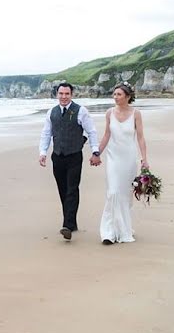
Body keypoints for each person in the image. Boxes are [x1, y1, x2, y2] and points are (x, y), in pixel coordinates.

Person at [38, 82, 101, 241]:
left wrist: (95, 150)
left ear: (71, 95)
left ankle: (67, 224)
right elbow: (46, 133)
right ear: (57, 94)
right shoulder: (51, 113)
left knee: (72, 189)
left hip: (74, 155)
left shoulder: (81, 111)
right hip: (57, 156)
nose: (64, 97)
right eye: (61, 94)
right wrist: (43, 152)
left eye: (67, 94)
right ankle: (71, 223)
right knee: (62, 190)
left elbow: (91, 131)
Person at [97, 82, 149, 244]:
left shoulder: (136, 114)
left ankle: (123, 229)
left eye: (119, 94)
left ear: (127, 97)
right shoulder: (109, 113)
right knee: (113, 192)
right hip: (113, 158)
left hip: (128, 159)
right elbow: (106, 135)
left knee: (125, 195)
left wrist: (144, 159)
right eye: (114, 94)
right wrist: (96, 153)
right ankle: (108, 233)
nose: (115, 97)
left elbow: (140, 137)